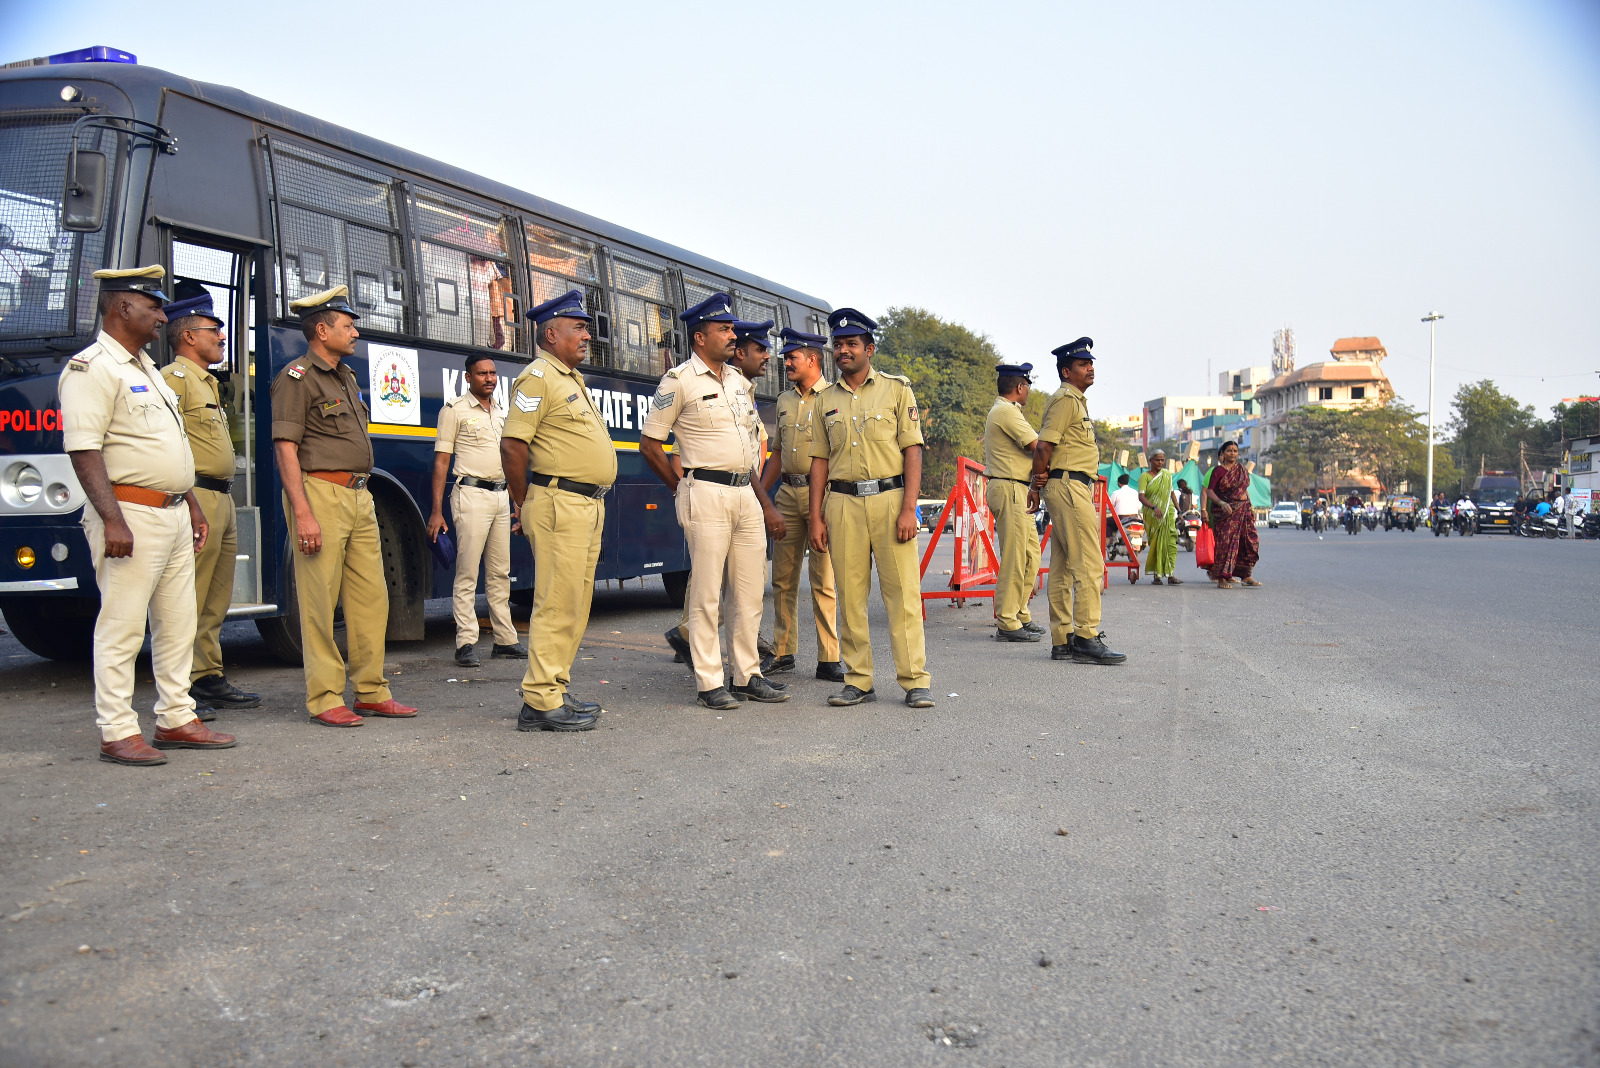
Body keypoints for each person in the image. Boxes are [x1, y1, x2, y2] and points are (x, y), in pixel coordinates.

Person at [61, 265, 236, 766]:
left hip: (175, 513)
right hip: (131, 514)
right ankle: (116, 729)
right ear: (122, 307)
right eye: (154, 306)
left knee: (177, 623)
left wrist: (192, 502)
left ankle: (176, 717)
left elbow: (173, 448)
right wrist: (112, 519)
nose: (163, 316)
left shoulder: (143, 369)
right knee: (122, 625)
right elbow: (84, 449)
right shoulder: (91, 368)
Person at [271, 286, 417, 727]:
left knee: (372, 598)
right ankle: (325, 697)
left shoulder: (346, 377)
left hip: (359, 495)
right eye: (347, 325)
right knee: (318, 601)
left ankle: (371, 691)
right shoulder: (296, 378)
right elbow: (285, 448)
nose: (355, 332)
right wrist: (302, 512)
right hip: (320, 494)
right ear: (322, 330)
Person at [641, 293, 788, 709]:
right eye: (724, 329)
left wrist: (762, 502)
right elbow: (650, 445)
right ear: (700, 337)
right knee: (706, 593)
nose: (732, 335)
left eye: (732, 328)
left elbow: (750, 445)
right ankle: (709, 681)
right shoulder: (679, 380)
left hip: (746, 494)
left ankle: (747, 675)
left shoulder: (741, 384)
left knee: (748, 591)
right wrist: (680, 487)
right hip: (704, 491)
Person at [499, 288, 616, 731]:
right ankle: (540, 700)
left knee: (576, 602)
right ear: (551, 333)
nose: (587, 335)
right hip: (558, 503)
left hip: (585, 504)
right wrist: (523, 500)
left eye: (586, 327)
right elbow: (512, 445)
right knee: (555, 602)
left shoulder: (570, 379)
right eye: (579, 328)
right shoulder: (538, 377)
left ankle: (555, 686)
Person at [807, 308, 934, 707]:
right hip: (842, 504)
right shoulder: (824, 399)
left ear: (869, 349)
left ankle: (915, 680)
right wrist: (816, 516)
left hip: (890, 499)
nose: (843, 351)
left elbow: (912, 451)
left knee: (903, 594)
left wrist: (908, 509)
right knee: (850, 595)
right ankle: (858, 679)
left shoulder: (897, 390)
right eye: (838, 345)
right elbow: (819, 461)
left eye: (851, 344)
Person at [158, 293, 261, 714]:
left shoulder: (208, 382)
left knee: (216, 595)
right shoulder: (173, 380)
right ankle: (179, 688)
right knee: (188, 596)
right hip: (194, 496)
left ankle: (207, 676)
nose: (222, 337)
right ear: (187, 336)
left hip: (220, 496)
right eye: (213, 331)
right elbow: (166, 445)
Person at [1030, 337, 1126, 665]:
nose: (1090, 368)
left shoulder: (1075, 400)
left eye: (1091, 363)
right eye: (1083, 365)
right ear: (1066, 371)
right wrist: (1035, 483)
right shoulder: (1066, 400)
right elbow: (1044, 447)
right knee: (1088, 562)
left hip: (1068, 485)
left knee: (1061, 566)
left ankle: (1063, 638)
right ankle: (1086, 635)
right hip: (1070, 486)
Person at [429, 353, 525, 668]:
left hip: (500, 497)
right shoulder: (454, 410)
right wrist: (436, 510)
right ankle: (466, 641)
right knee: (468, 572)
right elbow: (441, 461)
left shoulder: (501, 412)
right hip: (470, 495)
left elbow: (508, 462)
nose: (489, 378)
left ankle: (505, 640)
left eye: (493, 373)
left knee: (500, 572)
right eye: (481, 373)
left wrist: (517, 503)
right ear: (468, 377)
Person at [759, 327, 843, 678]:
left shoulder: (834, 398)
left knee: (823, 579)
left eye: (792, 357)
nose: (786, 362)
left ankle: (829, 658)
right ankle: (782, 651)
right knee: (782, 579)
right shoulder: (784, 400)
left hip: (820, 495)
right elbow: (777, 453)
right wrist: (761, 495)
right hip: (787, 495)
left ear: (812, 359)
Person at [982, 362, 1045, 641]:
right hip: (1009, 487)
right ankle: (1007, 621)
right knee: (1015, 557)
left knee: (1031, 555)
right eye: (1028, 385)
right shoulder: (1006, 411)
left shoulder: (1008, 411)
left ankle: (1019, 613)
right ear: (1020, 387)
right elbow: (1038, 446)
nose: (1029, 390)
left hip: (1017, 488)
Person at [1203, 440, 1260, 588]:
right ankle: (1222, 578)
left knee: (1249, 542)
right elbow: (1209, 491)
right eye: (1229, 450)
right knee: (1225, 544)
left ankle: (1246, 575)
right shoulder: (1218, 471)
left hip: (1244, 510)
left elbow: (1243, 490)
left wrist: (1251, 507)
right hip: (1226, 512)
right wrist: (1222, 503)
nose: (1232, 453)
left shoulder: (1241, 470)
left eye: (1235, 451)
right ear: (1223, 453)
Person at [1138, 450, 1181, 585]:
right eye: (1157, 460)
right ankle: (1157, 575)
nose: (1160, 463)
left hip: (1167, 514)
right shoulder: (1144, 477)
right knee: (1157, 545)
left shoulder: (1167, 475)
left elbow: (1172, 494)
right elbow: (1141, 497)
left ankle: (1170, 574)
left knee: (1171, 544)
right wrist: (1154, 507)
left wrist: (1179, 511)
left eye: (1162, 460)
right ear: (1151, 461)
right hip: (1152, 515)